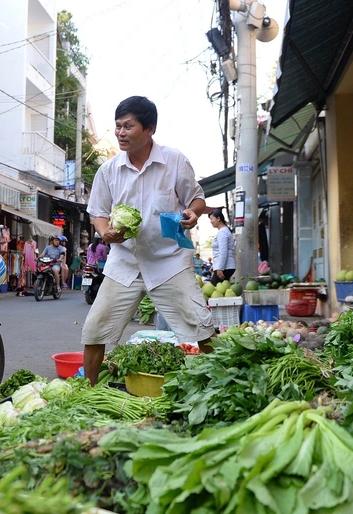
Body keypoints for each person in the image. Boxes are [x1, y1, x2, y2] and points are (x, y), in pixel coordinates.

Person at [81, 96, 215, 385]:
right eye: (117, 126)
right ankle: (89, 391)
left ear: (150, 129)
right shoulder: (109, 171)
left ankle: (217, 384)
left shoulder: (174, 161)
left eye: (128, 126)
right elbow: (98, 212)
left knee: (202, 328)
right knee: (95, 330)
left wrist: (193, 212)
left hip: (169, 262)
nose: (121, 133)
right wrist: (105, 232)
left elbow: (197, 197)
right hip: (125, 263)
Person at [208, 209, 236, 286]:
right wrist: (215, 266)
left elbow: (223, 252)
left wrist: (219, 268)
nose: (211, 221)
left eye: (212, 219)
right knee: (221, 290)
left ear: (218, 218)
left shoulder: (222, 232)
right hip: (225, 266)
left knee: (214, 290)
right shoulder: (224, 231)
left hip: (225, 267)